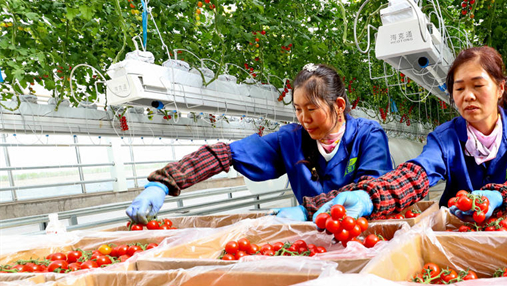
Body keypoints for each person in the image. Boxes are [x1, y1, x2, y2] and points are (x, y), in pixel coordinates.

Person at [126, 63, 394, 223]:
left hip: (362, 238)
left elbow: (370, 190)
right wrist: (164, 181)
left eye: (311, 109)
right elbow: (227, 154)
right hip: (316, 243)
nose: (304, 119)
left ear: (338, 105)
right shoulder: (292, 139)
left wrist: (306, 211)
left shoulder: (368, 136)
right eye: (298, 109)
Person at [307, 46, 507, 222]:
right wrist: (368, 197)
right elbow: (416, 175)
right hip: (460, 232)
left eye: (478, 85)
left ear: (500, 88)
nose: (468, 96)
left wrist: (497, 197)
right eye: (459, 88)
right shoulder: (445, 138)